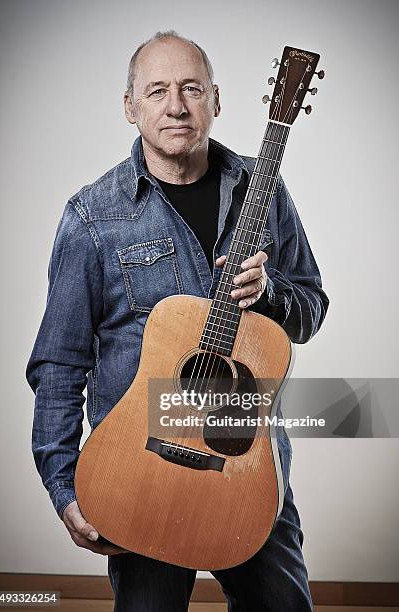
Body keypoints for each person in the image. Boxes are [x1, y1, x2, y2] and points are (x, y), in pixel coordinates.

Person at [26, 30, 329, 612]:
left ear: (217, 99)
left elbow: (310, 308)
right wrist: (64, 486)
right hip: (141, 469)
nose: (176, 106)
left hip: (247, 467)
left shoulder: (260, 191)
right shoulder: (93, 216)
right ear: (130, 106)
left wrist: (268, 294)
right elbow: (58, 365)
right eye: (157, 90)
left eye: (191, 89)